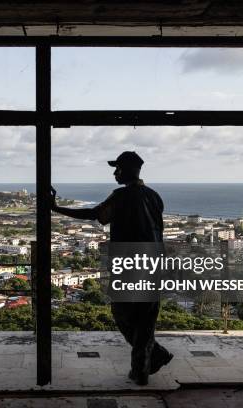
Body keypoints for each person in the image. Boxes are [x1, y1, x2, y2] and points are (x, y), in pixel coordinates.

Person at [51, 151, 173, 385]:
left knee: (123, 314)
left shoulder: (122, 196)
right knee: (145, 320)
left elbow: (94, 214)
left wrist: (56, 208)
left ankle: (143, 369)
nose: (115, 173)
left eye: (118, 168)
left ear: (129, 170)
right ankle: (151, 360)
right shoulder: (155, 197)